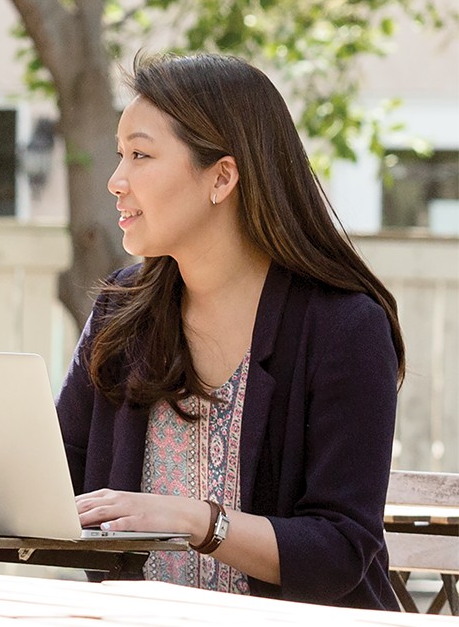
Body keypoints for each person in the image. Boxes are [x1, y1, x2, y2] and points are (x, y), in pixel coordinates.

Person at [57, 52, 404, 608]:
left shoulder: (345, 327)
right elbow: (51, 481)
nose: (116, 180)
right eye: (121, 156)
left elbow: (342, 547)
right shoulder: (121, 315)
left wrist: (202, 523)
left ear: (222, 176)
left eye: (140, 155)